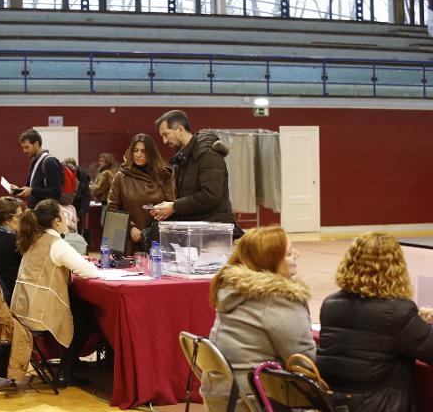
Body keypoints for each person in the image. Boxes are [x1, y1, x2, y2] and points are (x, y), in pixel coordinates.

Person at [202, 226, 315, 411]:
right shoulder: (277, 300)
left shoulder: (235, 292)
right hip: (253, 401)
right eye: (289, 253)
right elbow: (305, 362)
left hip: (221, 398)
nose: (298, 254)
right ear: (269, 262)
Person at [317, 232, 433, 412]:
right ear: (396, 267)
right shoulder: (399, 311)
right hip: (380, 405)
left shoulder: (330, 304)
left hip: (333, 403)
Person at [10, 199, 99, 387]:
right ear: (56, 221)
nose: (67, 220)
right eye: (64, 216)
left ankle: (70, 366)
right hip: (40, 313)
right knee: (87, 315)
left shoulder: (34, 238)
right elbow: (90, 272)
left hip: (23, 309)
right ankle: (67, 371)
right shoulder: (56, 244)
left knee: (80, 309)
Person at [152, 110, 243, 239]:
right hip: (198, 232)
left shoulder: (207, 154)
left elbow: (210, 195)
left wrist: (175, 206)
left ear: (179, 129)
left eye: (166, 134)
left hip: (214, 233)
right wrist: (169, 210)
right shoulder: (182, 159)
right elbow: (190, 199)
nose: (164, 141)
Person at [107, 133, 174, 255]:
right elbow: (113, 209)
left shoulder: (163, 175)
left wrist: (158, 218)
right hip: (128, 240)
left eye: (143, 151)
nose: (138, 155)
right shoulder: (121, 176)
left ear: (151, 153)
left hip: (156, 238)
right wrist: (131, 227)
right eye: (135, 150)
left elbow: (172, 205)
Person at [13, 129, 63, 208]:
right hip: (35, 210)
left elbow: (56, 192)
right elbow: (31, 187)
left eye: (27, 147)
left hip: (45, 213)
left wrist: (32, 191)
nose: (24, 151)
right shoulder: (34, 160)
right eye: (23, 147)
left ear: (36, 144)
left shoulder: (49, 162)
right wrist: (19, 190)